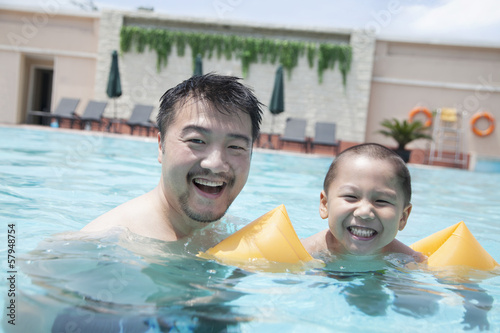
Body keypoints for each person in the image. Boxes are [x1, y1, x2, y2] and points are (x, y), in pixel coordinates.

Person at [82, 73, 263, 242]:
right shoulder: (106, 242)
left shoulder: (239, 235)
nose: (215, 164)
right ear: (161, 146)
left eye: (235, 147)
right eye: (197, 141)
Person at [302, 143, 425, 262]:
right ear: (325, 204)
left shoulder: (410, 261)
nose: (364, 212)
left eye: (381, 201)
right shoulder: (304, 252)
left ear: (403, 218)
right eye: (351, 196)